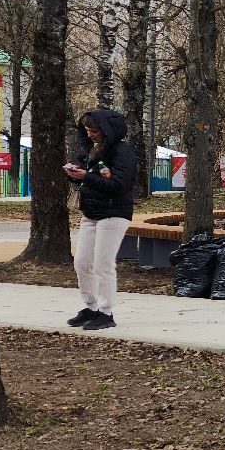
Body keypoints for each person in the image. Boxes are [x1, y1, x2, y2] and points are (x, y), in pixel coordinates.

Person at [65, 109, 137, 331]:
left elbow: (120, 185)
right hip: (91, 212)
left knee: (102, 265)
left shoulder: (123, 152)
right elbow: (90, 180)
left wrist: (87, 176)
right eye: (87, 131)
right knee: (82, 263)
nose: (90, 135)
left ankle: (106, 311)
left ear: (107, 131)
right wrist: (75, 175)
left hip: (113, 213)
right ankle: (91, 306)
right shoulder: (91, 150)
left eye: (94, 131)